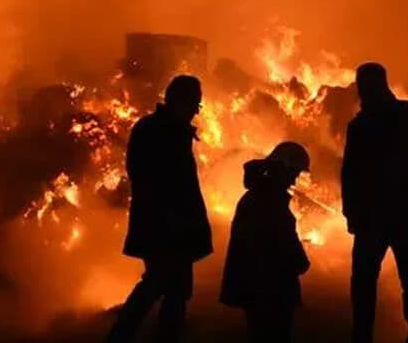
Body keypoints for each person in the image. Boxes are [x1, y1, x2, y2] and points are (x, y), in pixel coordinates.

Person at [105, 75, 213, 343]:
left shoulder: (171, 131)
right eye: (193, 104)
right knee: (157, 284)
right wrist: (171, 217)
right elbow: (147, 179)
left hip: (175, 226)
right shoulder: (156, 131)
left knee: (175, 291)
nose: (194, 112)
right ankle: (120, 337)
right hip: (163, 227)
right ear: (178, 100)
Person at [341, 62, 408, 343]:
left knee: (366, 279)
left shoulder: (363, 124)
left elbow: (351, 172)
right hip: (404, 210)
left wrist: (351, 213)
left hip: (375, 214)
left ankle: (364, 333)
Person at [220, 142, 312, 343]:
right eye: (294, 171)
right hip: (269, 290)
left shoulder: (258, 194)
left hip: (257, 289)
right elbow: (279, 240)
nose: (295, 178)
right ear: (283, 167)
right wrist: (300, 261)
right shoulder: (268, 199)